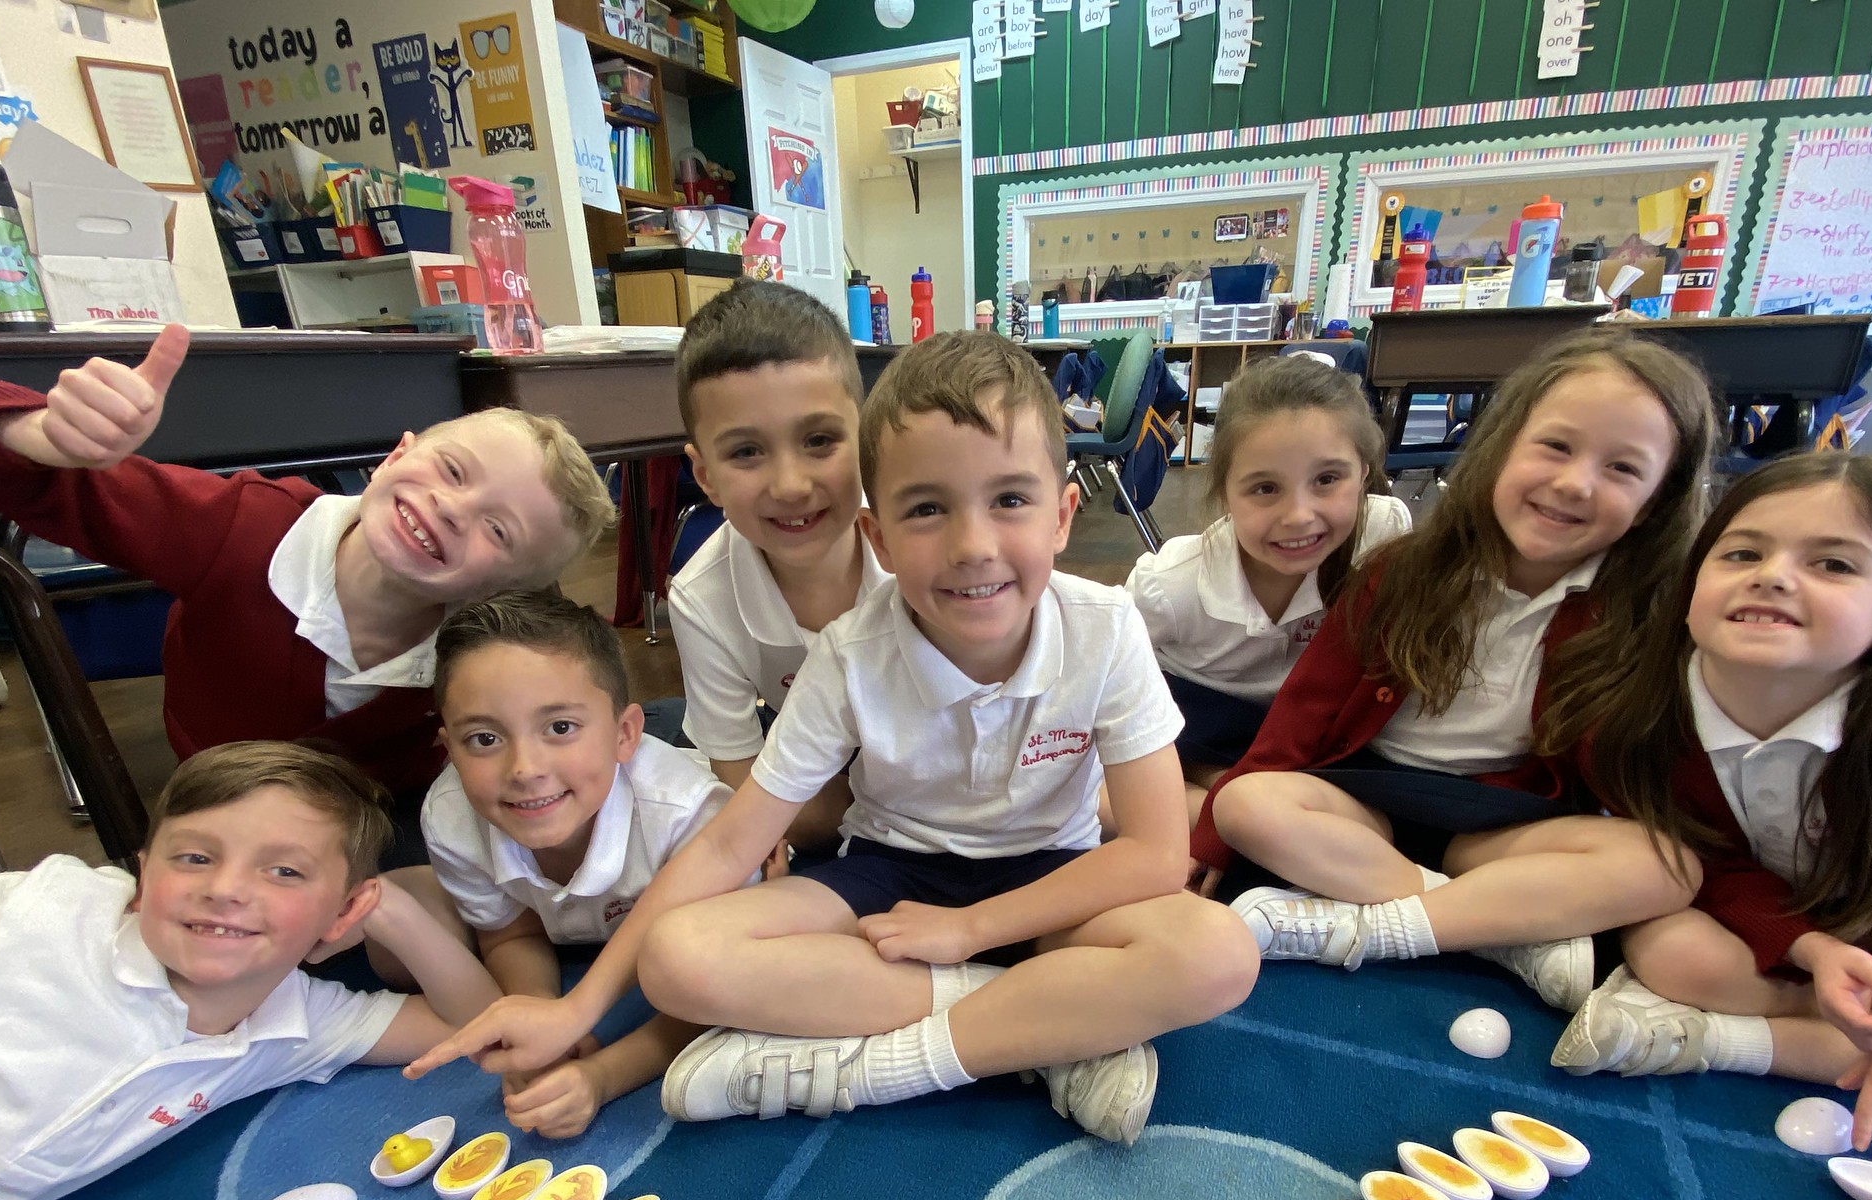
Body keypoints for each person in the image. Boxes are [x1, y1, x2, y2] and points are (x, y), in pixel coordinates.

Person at [408, 331, 1259, 1143]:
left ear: (1064, 514)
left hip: (1051, 880)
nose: (972, 546)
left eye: (1009, 500)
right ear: (879, 536)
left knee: (1220, 952)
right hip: (889, 873)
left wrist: (969, 932)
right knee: (678, 959)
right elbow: (724, 847)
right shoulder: (850, 653)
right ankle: (1053, 1029)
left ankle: (889, 1064)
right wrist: (577, 1007)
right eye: (927, 509)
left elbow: (1151, 854)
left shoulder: (1106, 628)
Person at [1191, 329, 1719, 1009]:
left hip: (1500, 829)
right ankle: (1499, 932)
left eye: (1622, 469)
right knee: (1244, 802)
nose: (1573, 482)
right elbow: (1304, 712)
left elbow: (1656, 779)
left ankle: (1384, 925)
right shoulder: (1405, 568)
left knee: (1668, 866)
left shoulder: (1644, 612)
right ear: (1502, 445)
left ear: (1656, 500)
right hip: (1367, 810)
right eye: (1556, 446)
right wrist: (1214, 836)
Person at [0, 324, 613, 796]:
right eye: (453, 470)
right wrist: (42, 431)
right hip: (221, 803)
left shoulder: (480, 651)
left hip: (377, 820)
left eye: (498, 530)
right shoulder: (241, 527)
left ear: (502, 592)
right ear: (397, 455)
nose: (451, 509)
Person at [1555, 455, 1872, 1169]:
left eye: (1835, 565)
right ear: (1691, 588)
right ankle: (1820, 1036)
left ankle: (1729, 1043)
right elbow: (1708, 864)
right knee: (1671, 946)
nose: (1773, 575)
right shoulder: (1631, 727)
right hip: (1781, 953)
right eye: (1744, 552)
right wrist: (1809, 950)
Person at [0, 742, 498, 1200]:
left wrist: (391, 912)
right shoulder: (54, 907)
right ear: (145, 877)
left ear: (347, 910)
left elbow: (480, 1024)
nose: (224, 890)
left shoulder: (295, 1023)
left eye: (283, 871)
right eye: (195, 858)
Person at [408, 591, 730, 1137]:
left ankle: (670, 718)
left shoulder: (686, 814)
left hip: (690, 876)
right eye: (484, 738)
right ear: (448, 749)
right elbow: (511, 935)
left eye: (559, 728)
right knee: (399, 945)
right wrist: (537, 1012)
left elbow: (714, 987)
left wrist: (603, 1076)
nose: (525, 768)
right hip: (589, 918)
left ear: (625, 734)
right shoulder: (450, 819)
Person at [1125, 354, 1412, 822]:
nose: (1298, 515)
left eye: (1327, 479)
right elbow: (1096, 670)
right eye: (1264, 488)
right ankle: (1209, 790)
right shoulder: (1170, 583)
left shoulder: (1381, 537)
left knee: (1365, 817)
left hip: (1308, 730)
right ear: (1225, 490)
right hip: (1194, 718)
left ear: (1363, 473)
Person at [670, 280, 891, 866]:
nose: (790, 486)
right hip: (839, 776)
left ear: (865, 438)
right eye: (746, 452)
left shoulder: (919, 549)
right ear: (705, 475)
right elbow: (745, 797)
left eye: (819, 440)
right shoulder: (701, 598)